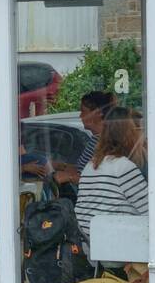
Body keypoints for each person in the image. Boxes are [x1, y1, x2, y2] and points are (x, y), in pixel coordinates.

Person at [73, 107, 148, 246]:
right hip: (115, 247)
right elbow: (151, 212)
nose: (143, 136)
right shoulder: (123, 167)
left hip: (91, 245)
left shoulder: (91, 165)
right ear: (130, 133)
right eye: (140, 131)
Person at [49, 90, 117, 186]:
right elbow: (82, 169)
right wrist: (61, 166)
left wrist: (70, 177)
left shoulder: (106, 142)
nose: (80, 116)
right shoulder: (96, 139)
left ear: (98, 113)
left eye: (83, 111)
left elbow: (99, 180)